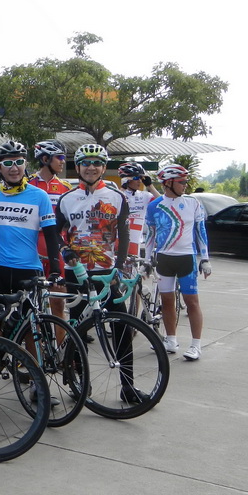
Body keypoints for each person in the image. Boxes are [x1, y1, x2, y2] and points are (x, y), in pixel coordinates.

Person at [56, 145, 146, 403]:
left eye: (96, 163)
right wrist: (65, 251)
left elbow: (124, 235)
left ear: (104, 167)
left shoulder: (117, 197)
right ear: (78, 166)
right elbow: (56, 233)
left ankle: (127, 386)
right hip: (77, 274)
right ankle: (80, 383)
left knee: (121, 328)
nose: (91, 167)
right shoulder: (67, 198)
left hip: (107, 272)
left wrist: (119, 267)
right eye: (86, 162)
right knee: (78, 330)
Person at [0, 141, 62, 407]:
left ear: (26, 164)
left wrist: (56, 269)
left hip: (29, 269)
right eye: (8, 163)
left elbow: (51, 235)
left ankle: (38, 386)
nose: (14, 167)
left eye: (19, 162)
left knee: (33, 329)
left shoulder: (39, 196)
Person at [145, 164, 211, 361]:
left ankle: (196, 345)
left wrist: (205, 258)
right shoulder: (154, 205)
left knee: (191, 302)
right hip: (164, 258)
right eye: (181, 181)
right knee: (166, 301)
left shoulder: (193, 202)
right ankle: (171, 340)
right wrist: (147, 260)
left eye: (185, 181)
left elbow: (201, 231)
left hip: (186, 257)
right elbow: (150, 235)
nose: (185, 185)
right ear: (168, 183)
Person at [28, 140, 72, 320]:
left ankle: (61, 339)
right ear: (45, 159)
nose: (63, 161)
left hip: (56, 248)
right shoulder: (27, 183)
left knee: (58, 302)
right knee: (32, 305)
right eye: (59, 157)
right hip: (32, 246)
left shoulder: (66, 188)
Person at [117, 162, 160, 258]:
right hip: (117, 242)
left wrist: (150, 186)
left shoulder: (144, 196)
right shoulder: (118, 195)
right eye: (136, 178)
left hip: (135, 244)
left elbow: (163, 203)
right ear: (126, 180)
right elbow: (111, 204)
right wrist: (122, 188)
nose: (139, 181)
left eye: (141, 178)